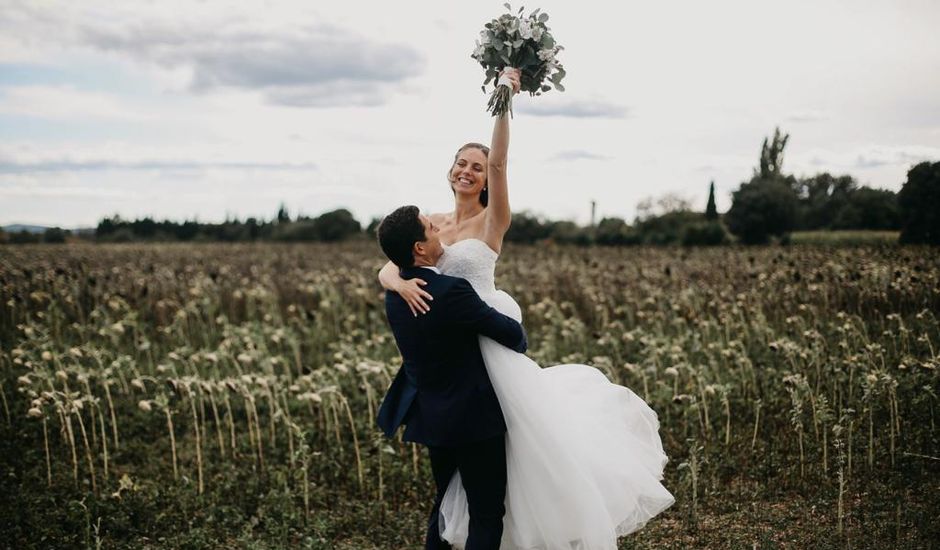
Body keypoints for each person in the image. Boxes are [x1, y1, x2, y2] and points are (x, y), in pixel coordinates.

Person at [378, 69, 675, 549]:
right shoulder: (428, 223)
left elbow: (500, 166)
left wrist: (504, 97)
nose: (468, 171)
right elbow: (394, 261)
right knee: (458, 487)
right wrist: (395, 280)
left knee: (518, 458)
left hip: (486, 344)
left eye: (476, 165)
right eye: (460, 162)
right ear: (448, 169)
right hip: (449, 347)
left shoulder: (492, 219)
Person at [375, 205, 528, 550]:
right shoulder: (452, 292)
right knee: (486, 513)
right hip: (475, 420)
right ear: (419, 247)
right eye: (430, 228)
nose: (438, 232)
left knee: (445, 508)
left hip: (433, 419)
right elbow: (514, 337)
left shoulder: (396, 297)